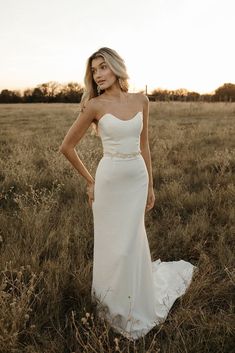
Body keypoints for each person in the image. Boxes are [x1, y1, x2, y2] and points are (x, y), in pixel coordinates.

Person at [59, 47, 197, 340]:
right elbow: (66, 147)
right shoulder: (94, 106)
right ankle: (111, 302)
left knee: (133, 240)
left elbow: (144, 143)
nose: (98, 74)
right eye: (94, 70)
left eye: (103, 67)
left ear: (116, 68)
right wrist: (90, 180)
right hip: (108, 181)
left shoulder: (141, 100)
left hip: (136, 178)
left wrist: (150, 184)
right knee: (114, 245)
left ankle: (137, 297)